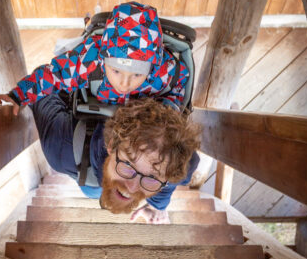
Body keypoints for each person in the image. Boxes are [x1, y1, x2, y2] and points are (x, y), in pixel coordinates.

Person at [29, 92, 201, 222]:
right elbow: (41, 88)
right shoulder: (60, 146)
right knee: (91, 190)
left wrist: (158, 207)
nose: (131, 188)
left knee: (91, 190)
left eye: (152, 177)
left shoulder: (182, 163)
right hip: (84, 157)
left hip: (88, 167)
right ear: (110, 145)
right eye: (128, 165)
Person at [0, 1, 189, 114]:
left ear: (152, 66)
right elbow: (54, 74)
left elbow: (180, 81)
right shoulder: (89, 60)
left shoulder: (164, 71)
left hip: (138, 117)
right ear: (104, 58)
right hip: (101, 109)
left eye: (137, 75)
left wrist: (167, 108)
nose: (124, 84)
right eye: (116, 71)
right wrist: (18, 96)